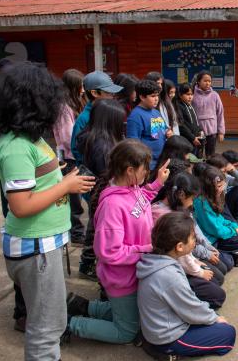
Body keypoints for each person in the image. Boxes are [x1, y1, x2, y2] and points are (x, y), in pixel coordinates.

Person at [0, 62, 95, 360]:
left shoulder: (30, 137)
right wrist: (65, 185)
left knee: (48, 324)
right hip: (35, 248)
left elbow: (35, 183)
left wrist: (58, 177)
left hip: (43, 245)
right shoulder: (15, 146)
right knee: (47, 330)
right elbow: (21, 204)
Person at [62, 139, 170, 345]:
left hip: (134, 271)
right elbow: (110, 252)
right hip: (122, 278)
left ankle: (83, 306)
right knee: (126, 332)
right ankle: (68, 325)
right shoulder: (113, 204)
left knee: (130, 313)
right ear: (130, 170)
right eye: (145, 168)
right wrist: (148, 250)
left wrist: (157, 183)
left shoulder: (133, 189)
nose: (147, 172)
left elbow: (140, 203)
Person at [137, 212, 236, 359]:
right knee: (228, 333)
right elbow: (190, 308)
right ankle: (165, 352)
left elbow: (187, 303)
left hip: (163, 324)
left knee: (211, 309)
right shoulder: (169, 276)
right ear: (179, 246)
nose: (195, 242)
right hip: (167, 338)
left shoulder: (156, 258)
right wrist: (214, 319)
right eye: (193, 238)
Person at [152, 172, 226, 309]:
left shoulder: (178, 209)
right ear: (181, 195)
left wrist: (198, 260)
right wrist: (199, 271)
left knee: (219, 275)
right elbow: (180, 253)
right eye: (191, 199)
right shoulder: (164, 216)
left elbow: (188, 246)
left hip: (186, 259)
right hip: (173, 267)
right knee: (217, 294)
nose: (192, 203)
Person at [76, 99, 126, 279]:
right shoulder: (102, 145)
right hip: (103, 191)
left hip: (98, 190)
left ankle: (88, 261)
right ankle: (88, 264)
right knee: (96, 227)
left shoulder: (93, 136)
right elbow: (108, 173)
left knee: (94, 225)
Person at [53, 68, 87, 246]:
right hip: (69, 157)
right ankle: (76, 232)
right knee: (74, 199)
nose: (83, 88)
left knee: (78, 197)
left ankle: (76, 230)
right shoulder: (64, 107)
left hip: (75, 155)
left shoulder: (76, 103)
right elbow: (67, 138)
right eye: (81, 85)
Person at [193, 166, 238, 261]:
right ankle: (219, 253)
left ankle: (224, 254)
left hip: (217, 235)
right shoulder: (200, 202)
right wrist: (233, 231)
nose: (221, 189)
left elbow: (220, 218)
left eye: (222, 185)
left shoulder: (214, 196)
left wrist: (234, 227)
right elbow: (215, 229)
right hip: (210, 240)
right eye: (218, 186)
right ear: (208, 186)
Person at [71, 70, 123, 165]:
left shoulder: (109, 112)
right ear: (95, 93)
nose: (112, 96)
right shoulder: (84, 119)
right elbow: (76, 149)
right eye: (108, 93)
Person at [126, 79, 172, 169]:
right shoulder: (136, 116)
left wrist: (167, 133)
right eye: (152, 96)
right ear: (142, 97)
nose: (156, 99)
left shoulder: (156, 112)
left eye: (157, 96)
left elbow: (159, 132)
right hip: (148, 165)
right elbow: (133, 144)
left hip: (160, 161)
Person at [192, 70, 225, 157]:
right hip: (198, 132)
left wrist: (221, 132)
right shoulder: (192, 95)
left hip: (212, 132)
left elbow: (220, 113)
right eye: (205, 81)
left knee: (210, 156)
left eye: (209, 81)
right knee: (197, 156)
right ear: (198, 81)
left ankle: (209, 170)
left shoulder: (215, 95)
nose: (207, 83)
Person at [173, 82, 204, 156]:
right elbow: (181, 125)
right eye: (187, 94)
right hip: (186, 140)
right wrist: (192, 138)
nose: (190, 97)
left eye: (191, 94)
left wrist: (200, 130)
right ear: (180, 95)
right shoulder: (178, 106)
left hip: (195, 139)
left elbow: (195, 121)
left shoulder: (190, 106)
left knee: (195, 158)